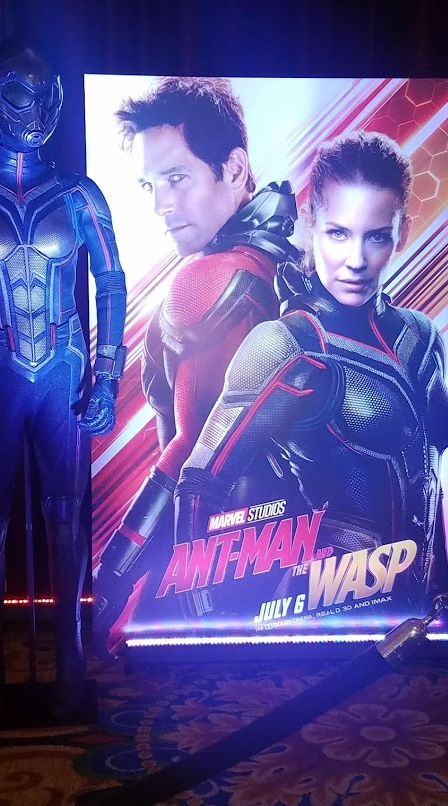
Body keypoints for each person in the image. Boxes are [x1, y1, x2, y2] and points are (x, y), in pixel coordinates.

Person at [0, 41, 128, 730]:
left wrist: (107, 374)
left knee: (67, 519)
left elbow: (111, 282)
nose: (31, 109)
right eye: (16, 92)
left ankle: (70, 661)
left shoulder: (79, 195)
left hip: (63, 368)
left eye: (42, 94)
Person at [173, 130, 448, 621]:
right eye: (338, 233)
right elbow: (200, 482)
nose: (357, 260)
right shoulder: (287, 345)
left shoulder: (421, 336)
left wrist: (438, 602)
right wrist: (199, 620)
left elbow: (427, 474)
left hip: (413, 609)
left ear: (402, 232)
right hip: (321, 610)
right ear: (310, 225)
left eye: (376, 236)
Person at [92, 77, 299, 655]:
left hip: (225, 554)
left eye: (176, 177)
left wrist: (114, 574)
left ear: (234, 169)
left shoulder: (213, 279)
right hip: (293, 562)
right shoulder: (294, 262)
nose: (161, 204)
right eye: (150, 184)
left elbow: (190, 448)